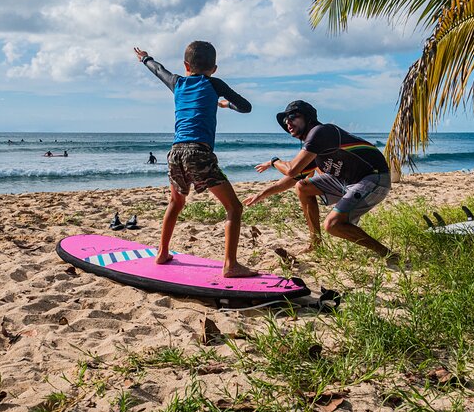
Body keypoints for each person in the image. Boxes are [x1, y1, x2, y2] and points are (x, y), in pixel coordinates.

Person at [134, 41, 257, 277]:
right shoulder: (213, 83)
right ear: (215, 68)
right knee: (234, 207)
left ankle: (162, 252)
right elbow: (246, 107)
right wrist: (226, 104)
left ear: (186, 65)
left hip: (175, 152)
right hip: (198, 152)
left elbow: (159, 70)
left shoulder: (177, 82)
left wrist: (145, 58)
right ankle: (230, 265)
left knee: (176, 203)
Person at [243, 100, 401, 268]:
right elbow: (293, 179)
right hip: (349, 181)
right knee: (302, 187)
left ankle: (388, 254)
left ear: (308, 117)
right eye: (285, 120)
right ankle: (315, 243)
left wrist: (274, 161)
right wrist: (262, 194)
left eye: (293, 116)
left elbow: (291, 170)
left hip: (374, 178)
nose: (288, 122)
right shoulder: (317, 150)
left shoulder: (320, 132)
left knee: (333, 225)